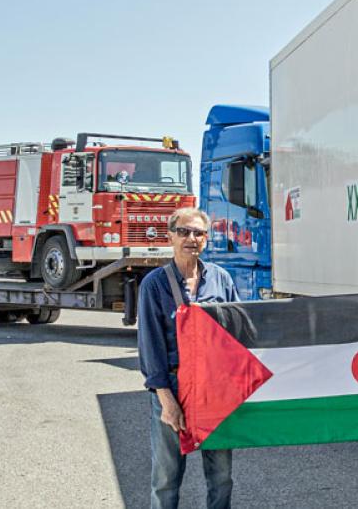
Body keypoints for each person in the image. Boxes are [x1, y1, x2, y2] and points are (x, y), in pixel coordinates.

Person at [138, 207, 241, 509]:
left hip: (214, 393)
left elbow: (237, 336)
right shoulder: (154, 285)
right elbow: (151, 348)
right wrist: (167, 402)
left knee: (221, 476)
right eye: (183, 231)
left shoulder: (221, 279)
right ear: (170, 236)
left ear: (207, 239)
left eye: (198, 233)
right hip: (173, 388)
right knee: (166, 479)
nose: (191, 238)